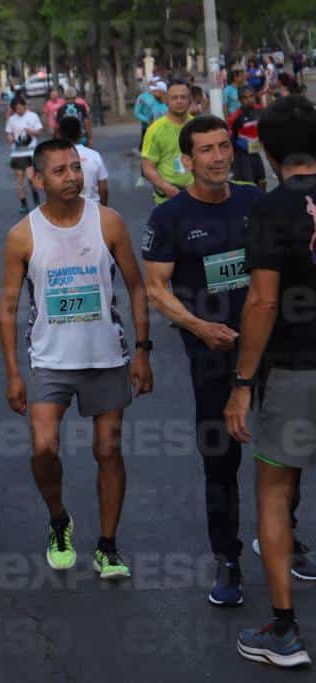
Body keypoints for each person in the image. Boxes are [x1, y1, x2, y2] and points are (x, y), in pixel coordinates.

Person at [0, 139, 153, 581]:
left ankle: (107, 544)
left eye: (75, 168)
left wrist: (143, 351)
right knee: (44, 448)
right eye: (60, 171)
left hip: (107, 356)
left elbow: (137, 288)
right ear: (38, 178)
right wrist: (12, 372)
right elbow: (8, 308)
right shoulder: (21, 235)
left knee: (108, 450)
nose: (71, 178)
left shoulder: (109, 223)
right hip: (50, 359)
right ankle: (58, 519)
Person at [142, 115, 273, 606]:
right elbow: (156, 288)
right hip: (212, 355)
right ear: (186, 160)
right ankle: (228, 558)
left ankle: (288, 535)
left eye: (224, 147)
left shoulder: (253, 202)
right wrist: (200, 327)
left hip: (267, 348)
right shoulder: (169, 217)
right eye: (207, 151)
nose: (219, 157)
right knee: (221, 460)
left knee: (284, 448)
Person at [225, 95, 316, 670]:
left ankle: (284, 630)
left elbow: (261, 300)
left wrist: (241, 381)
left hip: (292, 370)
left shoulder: (270, 207)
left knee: (274, 494)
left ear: (266, 148)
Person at [142, 79, 194, 204]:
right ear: (166, 100)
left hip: (196, 195)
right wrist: (166, 187)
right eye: (174, 97)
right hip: (168, 198)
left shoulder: (197, 126)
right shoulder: (154, 130)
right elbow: (148, 168)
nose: (179, 101)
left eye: (183, 97)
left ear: (189, 100)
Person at [56, 116, 109, 205]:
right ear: (80, 133)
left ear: (59, 134)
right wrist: (102, 209)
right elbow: (103, 187)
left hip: (66, 211)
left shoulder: (54, 158)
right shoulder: (94, 155)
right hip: (93, 209)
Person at [6, 97, 44, 213]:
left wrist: (30, 131)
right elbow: (9, 133)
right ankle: (23, 204)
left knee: (31, 178)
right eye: (16, 109)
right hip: (17, 152)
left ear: (24, 106)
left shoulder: (33, 116)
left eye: (20, 107)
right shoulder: (12, 119)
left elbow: (39, 132)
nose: (18, 110)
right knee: (19, 178)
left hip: (30, 152)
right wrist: (11, 138)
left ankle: (36, 200)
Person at [228, 87, 267, 190]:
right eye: (245, 98)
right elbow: (231, 140)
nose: (249, 99)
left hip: (255, 152)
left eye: (251, 96)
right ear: (240, 100)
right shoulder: (234, 118)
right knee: (247, 186)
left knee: (262, 182)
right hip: (242, 155)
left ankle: (263, 204)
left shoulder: (260, 110)